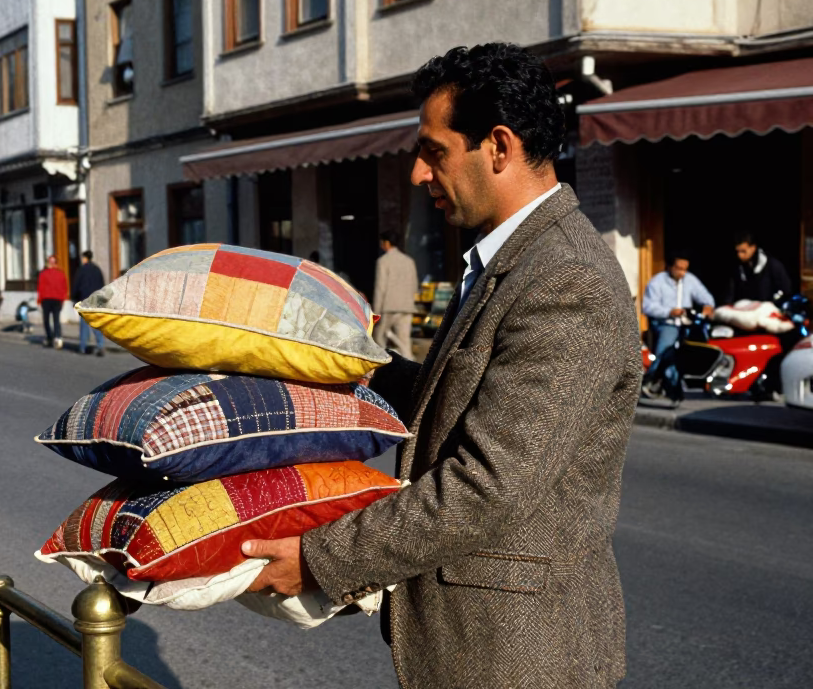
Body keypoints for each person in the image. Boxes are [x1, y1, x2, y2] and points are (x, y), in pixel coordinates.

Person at [240, 44, 641, 688]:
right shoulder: (509, 262)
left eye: (434, 151)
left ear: (499, 146)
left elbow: (488, 484)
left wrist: (319, 558)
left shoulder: (566, 280)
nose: (418, 175)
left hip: (519, 659)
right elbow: (451, 400)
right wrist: (354, 370)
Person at [642, 252, 715, 392]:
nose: (682, 272)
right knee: (665, 350)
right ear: (669, 266)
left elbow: (706, 297)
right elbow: (648, 307)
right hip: (666, 323)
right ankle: (652, 380)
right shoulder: (657, 282)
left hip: (686, 324)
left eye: (685, 269)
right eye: (678, 268)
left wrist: (708, 306)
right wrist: (669, 311)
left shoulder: (690, 280)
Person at [371, 229, 419, 360]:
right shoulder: (409, 261)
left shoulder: (383, 261)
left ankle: (382, 364)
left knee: (379, 338)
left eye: (382, 242)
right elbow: (414, 285)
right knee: (404, 340)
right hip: (406, 306)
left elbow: (380, 288)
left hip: (389, 307)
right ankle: (410, 364)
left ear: (387, 243)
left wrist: (375, 312)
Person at [722, 230, 792, 305]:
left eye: (743, 251)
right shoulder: (737, 267)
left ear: (753, 248)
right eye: (737, 251)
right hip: (746, 310)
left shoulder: (772, 265)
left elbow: (785, 290)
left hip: (770, 310)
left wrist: (772, 302)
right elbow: (730, 293)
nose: (740, 255)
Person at [71, 250, 107, 357]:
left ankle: (83, 347)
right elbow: (102, 285)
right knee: (96, 323)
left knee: (84, 325)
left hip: (84, 299)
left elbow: (76, 285)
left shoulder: (81, 270)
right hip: (95, 300)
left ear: (85, 258)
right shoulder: (97, 270)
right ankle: (100, 345)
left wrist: (74, 298)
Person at [37, 255, 68, 349]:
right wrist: (63, 299)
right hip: (57, 299)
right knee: (56, 319)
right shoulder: (61, 274)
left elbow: (40, 288)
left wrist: (39, 300)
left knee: (46, 320)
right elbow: (64, 287)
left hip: (46, 299)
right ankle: (58, 337)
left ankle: (49, 337)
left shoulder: (43, 274)